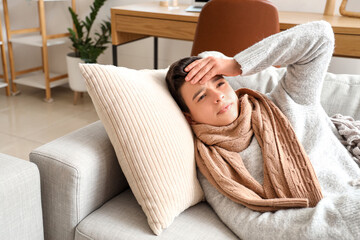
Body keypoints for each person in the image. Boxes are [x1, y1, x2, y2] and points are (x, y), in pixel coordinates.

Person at [166, 21, 360, 239]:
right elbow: (252, 225)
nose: (218, 96)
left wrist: (235, 64)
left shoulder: (289, 99)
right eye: (202, 96)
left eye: (219, 83)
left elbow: (321, 36)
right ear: (189, 117)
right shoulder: (213, 167)